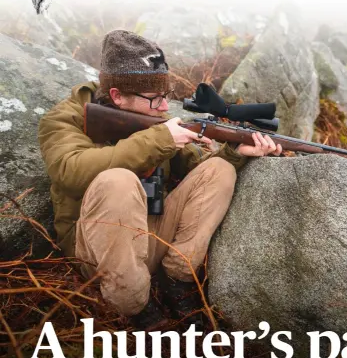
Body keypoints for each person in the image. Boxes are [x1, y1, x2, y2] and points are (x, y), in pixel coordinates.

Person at [38, 30, 282, 328]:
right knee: (117, 181)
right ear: (117, 96)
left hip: (151, 235)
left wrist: (235, 152)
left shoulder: (155, 122)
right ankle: (133, 306)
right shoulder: (65, 119)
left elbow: (198, 177)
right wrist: (158, 139)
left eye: (166, 96)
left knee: (220, 170)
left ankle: (176, 280)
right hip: (99, 252)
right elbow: (70, 171)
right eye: (155, 99)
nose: (166, 107)